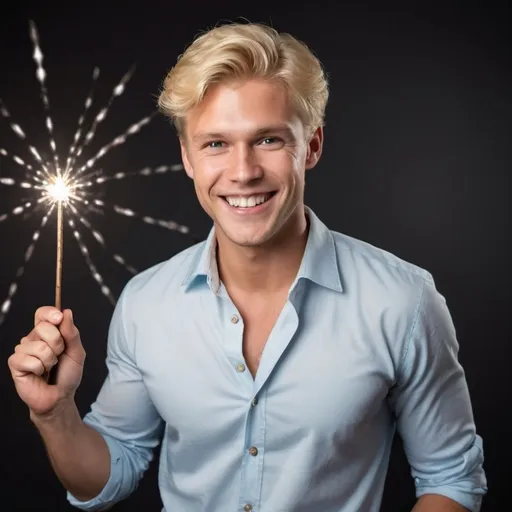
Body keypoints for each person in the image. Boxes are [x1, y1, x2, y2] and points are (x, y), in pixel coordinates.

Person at [8, 22, 487, 512]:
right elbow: (111, 472)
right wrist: (55, 414)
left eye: (268, 140)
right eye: (215, 143)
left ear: (313, 146)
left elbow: (450, 478)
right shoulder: (145, 303)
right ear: (188, 156)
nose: (243, 172)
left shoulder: (402, 301)